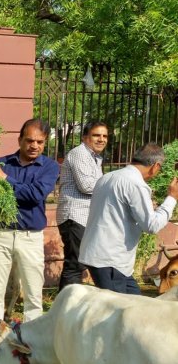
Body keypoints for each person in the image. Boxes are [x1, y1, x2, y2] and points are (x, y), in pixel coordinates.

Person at [0, 118, 60, 341]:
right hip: (0, 234)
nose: (34, 145)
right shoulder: (1, 162)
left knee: (33, 293)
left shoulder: (50, 167)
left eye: (40, 141)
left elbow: (36, 195)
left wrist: (5, 179)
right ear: (20, 139)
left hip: (30, 237)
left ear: (45, 143)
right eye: (29, 140)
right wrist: (4, 177)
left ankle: (31, 340)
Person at [79, 143, 178, 294]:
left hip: (105, 258)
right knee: (117, 312)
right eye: (160, 168)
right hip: (111, 260)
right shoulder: (136, 184)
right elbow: (152, 226)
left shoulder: (107, 177)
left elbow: (117, 214)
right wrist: (172, 197)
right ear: (156, 166)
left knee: (137, 307)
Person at [56, 121, 109, 289]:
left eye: (105, 136)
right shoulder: (79, 154)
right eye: (96, 135)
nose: (101, 139)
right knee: (75, 265)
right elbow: (86, 186)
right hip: (75, 215)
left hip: (84, 217)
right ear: (85, 137)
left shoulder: (94, 157)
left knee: (79, 263)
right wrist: (112, 186)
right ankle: (66, 310)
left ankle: (70, 307)